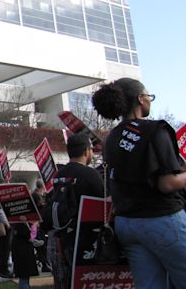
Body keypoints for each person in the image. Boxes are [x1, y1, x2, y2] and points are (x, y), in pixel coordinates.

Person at [92, 78, 186, 288]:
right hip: (162, 219)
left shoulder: (111, 139)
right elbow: (167, 183)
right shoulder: (156, 130)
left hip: (127, 224)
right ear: (140, 99)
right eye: (149, 96)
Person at [48, 133, 104, 288]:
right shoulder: (90, 174)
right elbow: (104, 203)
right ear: (87, 151)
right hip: (86, 240)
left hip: (63, 238)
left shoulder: (59, 175)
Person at [11, 223, 39, 289]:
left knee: (24, 278)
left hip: (20, 253)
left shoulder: (17, 226)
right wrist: (34, 226)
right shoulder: (21, 226)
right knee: (24, 279)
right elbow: (30, 237)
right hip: (24, 254)